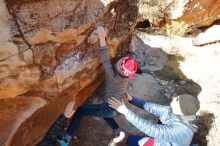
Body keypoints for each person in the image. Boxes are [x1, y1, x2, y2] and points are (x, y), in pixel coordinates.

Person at [57, 26, 138, 146]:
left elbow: (105, 60)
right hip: (117, 106)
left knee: (80, 110)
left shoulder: (113, 76)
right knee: (104, 113)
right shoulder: (126, 73)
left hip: (110, 107)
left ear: (119, 68)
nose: (120, 60)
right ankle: (118, 131)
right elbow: (132, 57)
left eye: (120, 62)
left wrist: (102, 38)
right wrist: (132, 47)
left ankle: (66, 138)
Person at [108, 93, 200, 146]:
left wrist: (125, 111)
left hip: (162, 143)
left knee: (133, 142)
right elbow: (152, 107)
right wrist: (132, 99)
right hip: (162, 141)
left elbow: (151, 129)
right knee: (131, 141)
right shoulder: (175, 111)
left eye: (177, 100)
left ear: (182, 108)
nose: (174, 97)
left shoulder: (180, 131)